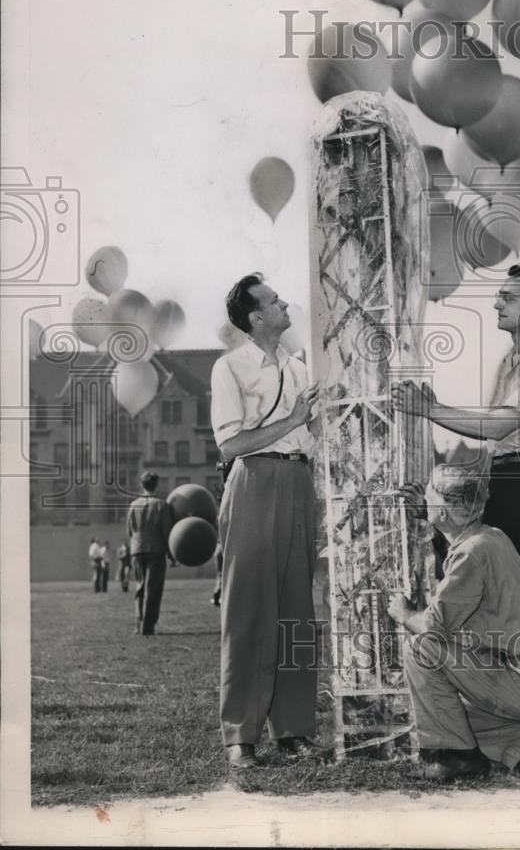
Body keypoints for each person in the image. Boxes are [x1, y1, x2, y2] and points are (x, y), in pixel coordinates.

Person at [393, 264, 520, 753]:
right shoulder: (509, 361)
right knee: (500, 604)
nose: (496, 303)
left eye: (507, 296)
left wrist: (431, 410)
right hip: (509, 480)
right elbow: (496, 442)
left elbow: (500, 426)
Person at [387, 465, 520, 781]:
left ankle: (456, 758)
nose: (423, 495)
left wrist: (403, 613)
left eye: (429, 492)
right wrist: (431, 517)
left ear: (445, 509)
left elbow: (434, 626)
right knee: (450, 717)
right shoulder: (491, 537)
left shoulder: (472, 552)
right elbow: (460, 554)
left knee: (421, 647)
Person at [211, 273, 320, 771]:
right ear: (257, 317)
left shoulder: (300, 368)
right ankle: (241, 736)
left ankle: (294, 730)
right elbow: (231, 445)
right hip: (253, 482)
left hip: (300, 485)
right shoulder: (229, 367)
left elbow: (312, 434)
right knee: (249, 611)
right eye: (274, 301)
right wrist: (295, 421)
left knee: (297, 612)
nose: (283, 304)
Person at [126, 471, 175, 636]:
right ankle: (148, 626)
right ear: (156, 484)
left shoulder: (133, 505)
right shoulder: (162, 505)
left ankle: (137, 625)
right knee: (153, 589)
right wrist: (171, 554)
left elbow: (130, 530)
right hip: (156, 549)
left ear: (142, 484)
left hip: (137, 549)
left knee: (139, 587)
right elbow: (167, 532)